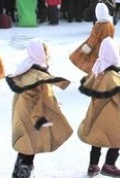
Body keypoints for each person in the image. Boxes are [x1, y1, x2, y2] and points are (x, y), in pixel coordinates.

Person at [6, 39, 73, 178]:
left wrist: (51, 104)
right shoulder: (36, 76)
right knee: (28, 151)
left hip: (24, 116)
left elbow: (40, 96)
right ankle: (21, 175)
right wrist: (39, 119)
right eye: (46, 53)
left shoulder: (28, 68)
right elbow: (34, 99)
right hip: (30, 119)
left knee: (26, 149)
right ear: (40, 54)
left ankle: (18, 174)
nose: (48, 56)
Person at [77, 37, 120, 177]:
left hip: (95, 113)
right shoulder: (111, 76)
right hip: (110, 116)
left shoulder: (98, 69)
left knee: (97, 140)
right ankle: (109, 165)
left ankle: (93, 166)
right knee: (118, 138)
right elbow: (118, 97)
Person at [70, 3, 115, 74]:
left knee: (92, 65)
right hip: (108, 49)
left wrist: (86, 48)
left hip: (97, 49)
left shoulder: (99, 25)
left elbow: (93, 39)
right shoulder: (111, 24)